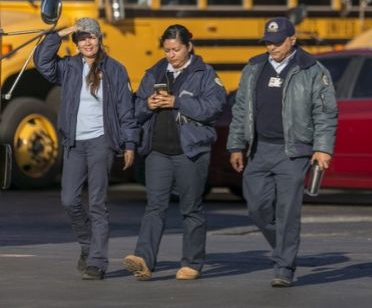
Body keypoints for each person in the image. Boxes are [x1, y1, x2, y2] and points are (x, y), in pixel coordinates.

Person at [227, 17, 338, 287]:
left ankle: (284, 266)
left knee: (288, 212)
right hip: (259, 149)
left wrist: (323, 148)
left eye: (277, 42)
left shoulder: (312, 70)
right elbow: (241, 109)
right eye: (267, 41)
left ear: (292, 40)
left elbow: (325, 113)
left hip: (293, 152)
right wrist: (236, 144)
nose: (271, 47)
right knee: (257, 209)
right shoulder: (254, 68)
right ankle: (286, 246)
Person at [33, 17, 138, 280]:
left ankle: (97, 262)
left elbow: (127, 109)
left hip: (101, 142)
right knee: (69, 200)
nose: (87, 42)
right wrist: (64, 31)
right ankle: (87, 244)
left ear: (100, 39)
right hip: (74, 143)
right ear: (76, 43)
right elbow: (42, 61)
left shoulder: (115, 69)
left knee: (98, 204)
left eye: (91, 37)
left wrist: (130, 143)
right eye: (82, 38)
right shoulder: (68, 67)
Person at [123, 24, 226, 281]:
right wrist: (147, 104)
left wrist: (177, 102)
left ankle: (192, 262)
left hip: (190, 152)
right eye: (167, 50)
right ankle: (144, 259)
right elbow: (134, 109)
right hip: (158, 151)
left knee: (190, 207)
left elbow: (214, 107)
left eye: (176, 49)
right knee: (154, 206)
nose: (171, 55)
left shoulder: (204, 73)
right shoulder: (154, 72)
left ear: (189, 46)